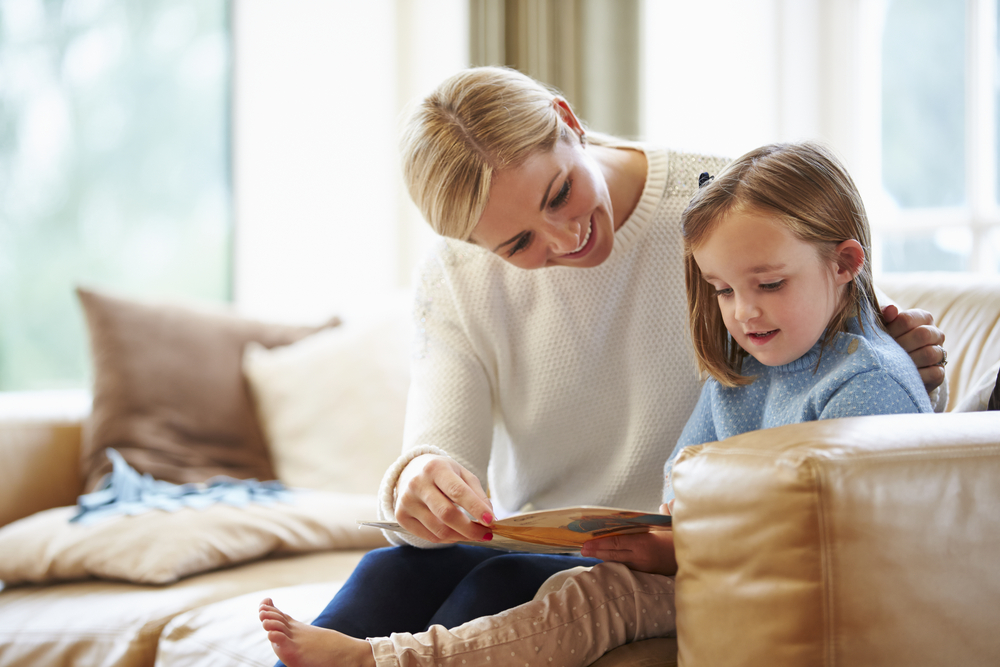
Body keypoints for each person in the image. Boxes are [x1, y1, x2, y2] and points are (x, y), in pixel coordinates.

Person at [269, 68, 946, 664]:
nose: (567, 237)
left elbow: (841, 328)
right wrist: (423, 478)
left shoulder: (724, 208)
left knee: (494, 590)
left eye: (559, 193)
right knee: (389, 574)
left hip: (680, 551)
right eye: (518, 243)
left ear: (568, 121)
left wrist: (911, 355)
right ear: (472, 244)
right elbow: (439, 445)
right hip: (576, 540)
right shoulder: (457, 277)